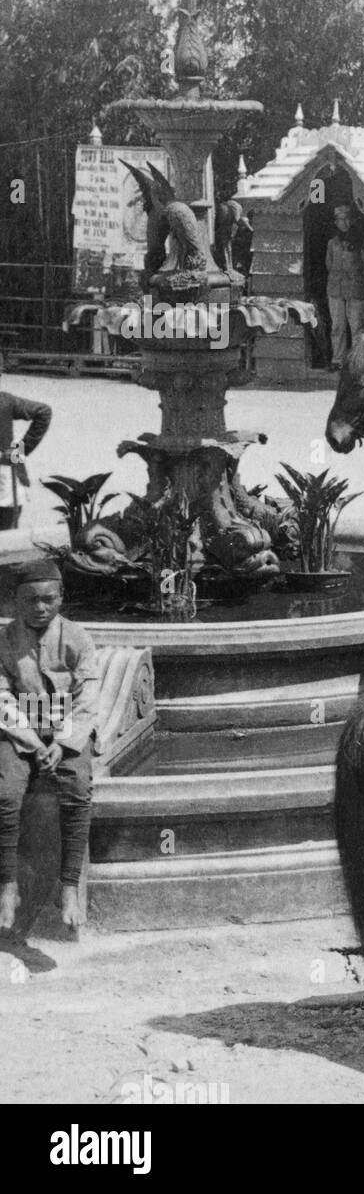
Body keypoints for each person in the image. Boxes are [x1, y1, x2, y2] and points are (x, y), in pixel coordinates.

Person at [0, 560, 100, 933]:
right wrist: (29, 739)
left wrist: (63, 742)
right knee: (6, 794)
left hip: (66, 727)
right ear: (14, 600)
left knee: (76, 790)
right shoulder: (5, 640)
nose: (40, 608)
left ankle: (70, 885)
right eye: (30, 600)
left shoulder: (78, 638)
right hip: (18, 729)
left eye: (48, 599)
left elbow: (88, 697)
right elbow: (1, 697)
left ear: (61, 597)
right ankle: (7, 884)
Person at [0, 354, 53, 532]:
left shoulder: (5, 402)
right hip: (5, 476)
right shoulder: (5, 401)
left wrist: (20, 450)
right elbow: (43, 411)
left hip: (5, 477)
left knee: (7, 536)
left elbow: (43, 412)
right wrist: (20, 450)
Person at [326, 204, 364, 371]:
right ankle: (337, 360)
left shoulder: (362, 243)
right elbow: (328, 264)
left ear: (352, 220)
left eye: (346, 219)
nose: (342, 223)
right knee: (337, 326)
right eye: (339, 220)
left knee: (357, 327)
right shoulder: (332, 243)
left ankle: (357, 362)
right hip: (335, 289)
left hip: (355, 288)